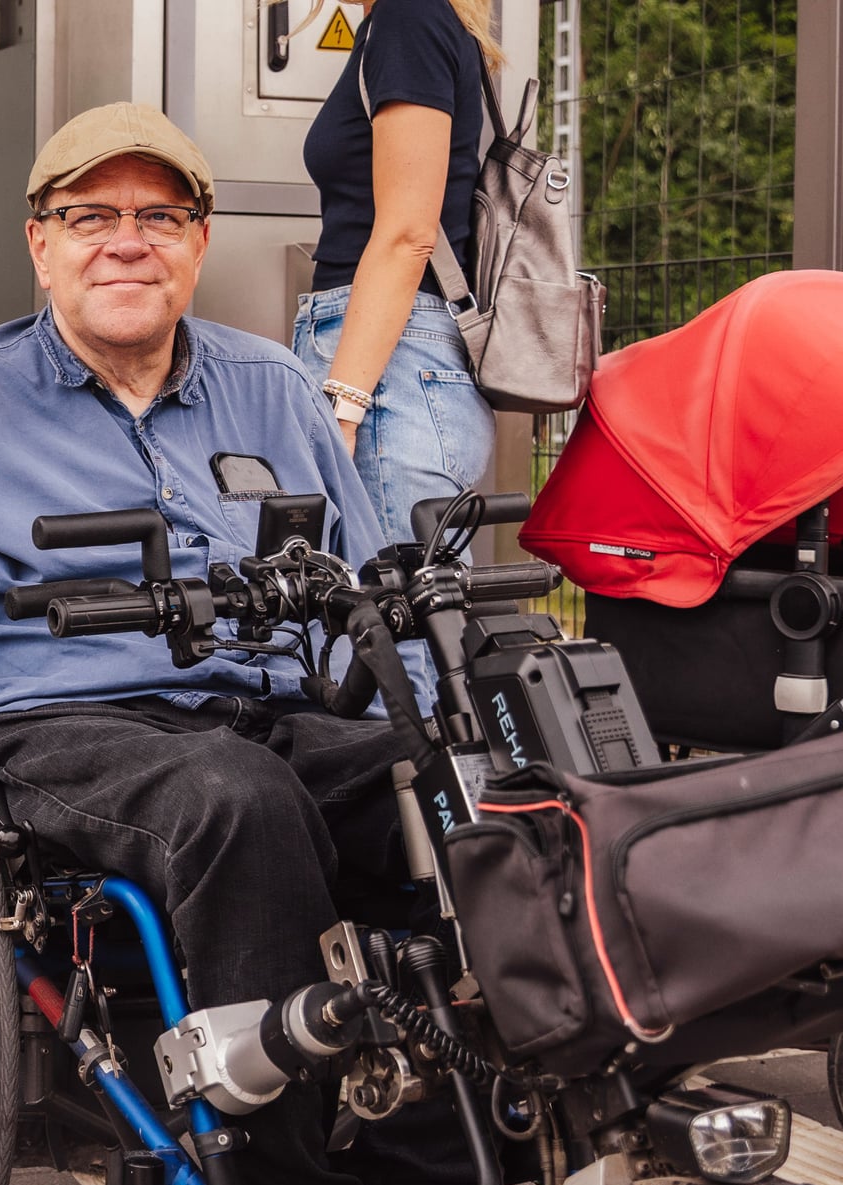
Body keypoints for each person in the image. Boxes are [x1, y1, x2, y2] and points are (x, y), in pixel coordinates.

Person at [0, 102, 558, 1185]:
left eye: (158, 216)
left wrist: (430, 743)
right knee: (238, 802)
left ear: (198, 244)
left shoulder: (267, 386)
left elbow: (365, 587)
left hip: (255, 705)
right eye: (90, 216)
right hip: (54, 725)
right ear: (40, 247)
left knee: (430, 792)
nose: (125, 243)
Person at [294, 0, 499, 699]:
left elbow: (410, 230)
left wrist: (344, 404)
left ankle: (418, 810)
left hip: (389, 369)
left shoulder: (409, 18)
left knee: (394, 652)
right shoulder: (412, 21)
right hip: (399, 359)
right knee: (405, 637)